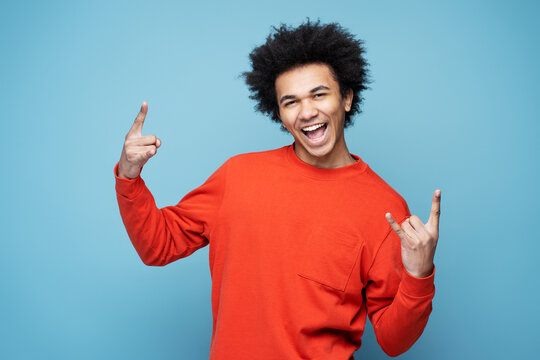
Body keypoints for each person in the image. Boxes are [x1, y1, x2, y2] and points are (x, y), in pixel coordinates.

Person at [114, 20, 441, 360]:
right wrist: (129, 174)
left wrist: (419, 274)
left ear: (346, 97)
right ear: (280, 115)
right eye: (291, 102)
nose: (307, 112)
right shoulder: (237, 176)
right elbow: (157, 245)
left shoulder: (384, 208)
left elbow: (393, 340)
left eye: (319, 94)